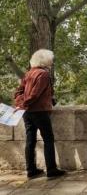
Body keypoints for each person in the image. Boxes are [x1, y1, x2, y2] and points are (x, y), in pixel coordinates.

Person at [14, 49, 65, 179]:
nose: (52, 62)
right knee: (48, 139)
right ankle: (51, 170)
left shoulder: (28, 73)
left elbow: (18, 92)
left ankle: (31, 170)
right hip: (39, 111)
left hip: (27, 113)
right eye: (51, 59)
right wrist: (24, 103)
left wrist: (21, 104)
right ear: (45, 60)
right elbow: (35, 94)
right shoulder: (43, 74)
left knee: (30, 140)